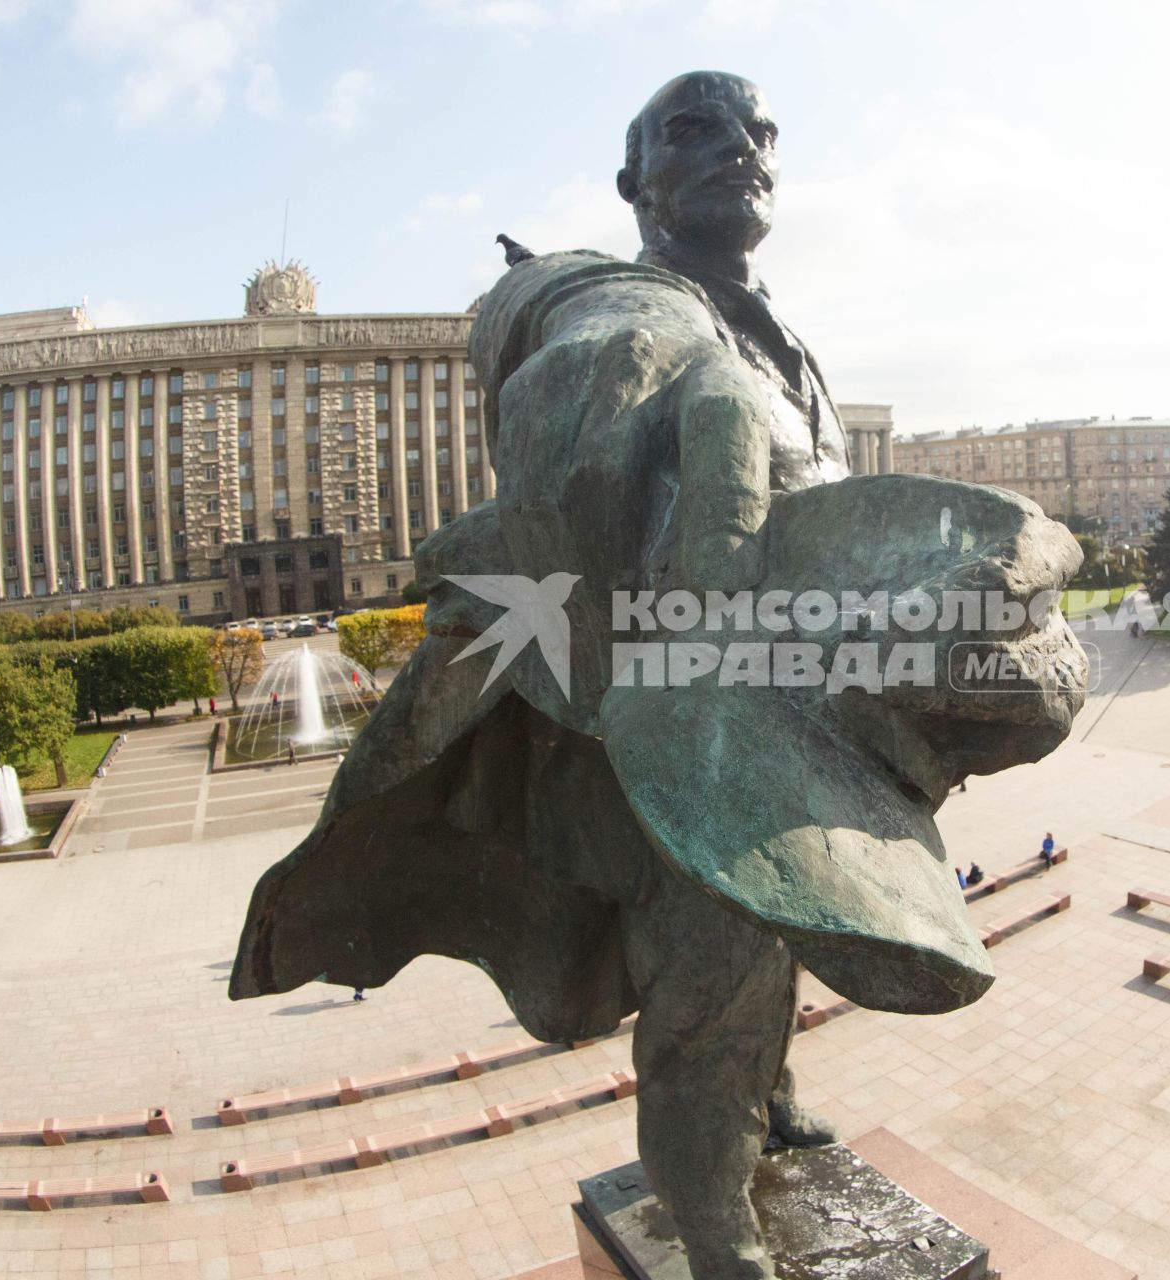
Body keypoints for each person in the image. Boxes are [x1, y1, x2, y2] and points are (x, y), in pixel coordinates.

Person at [229, 70, 1086, 1280]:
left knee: (787, 913)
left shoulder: (779, 328)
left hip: (783, 680)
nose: (742, 146)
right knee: (715, 971)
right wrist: (673, 373)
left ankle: (770, 1095)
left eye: (760, 130)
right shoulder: (627, 303)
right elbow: (585, 349)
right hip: (674, 699)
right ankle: (716, 1232)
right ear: (637, 184)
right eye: (696, 129)